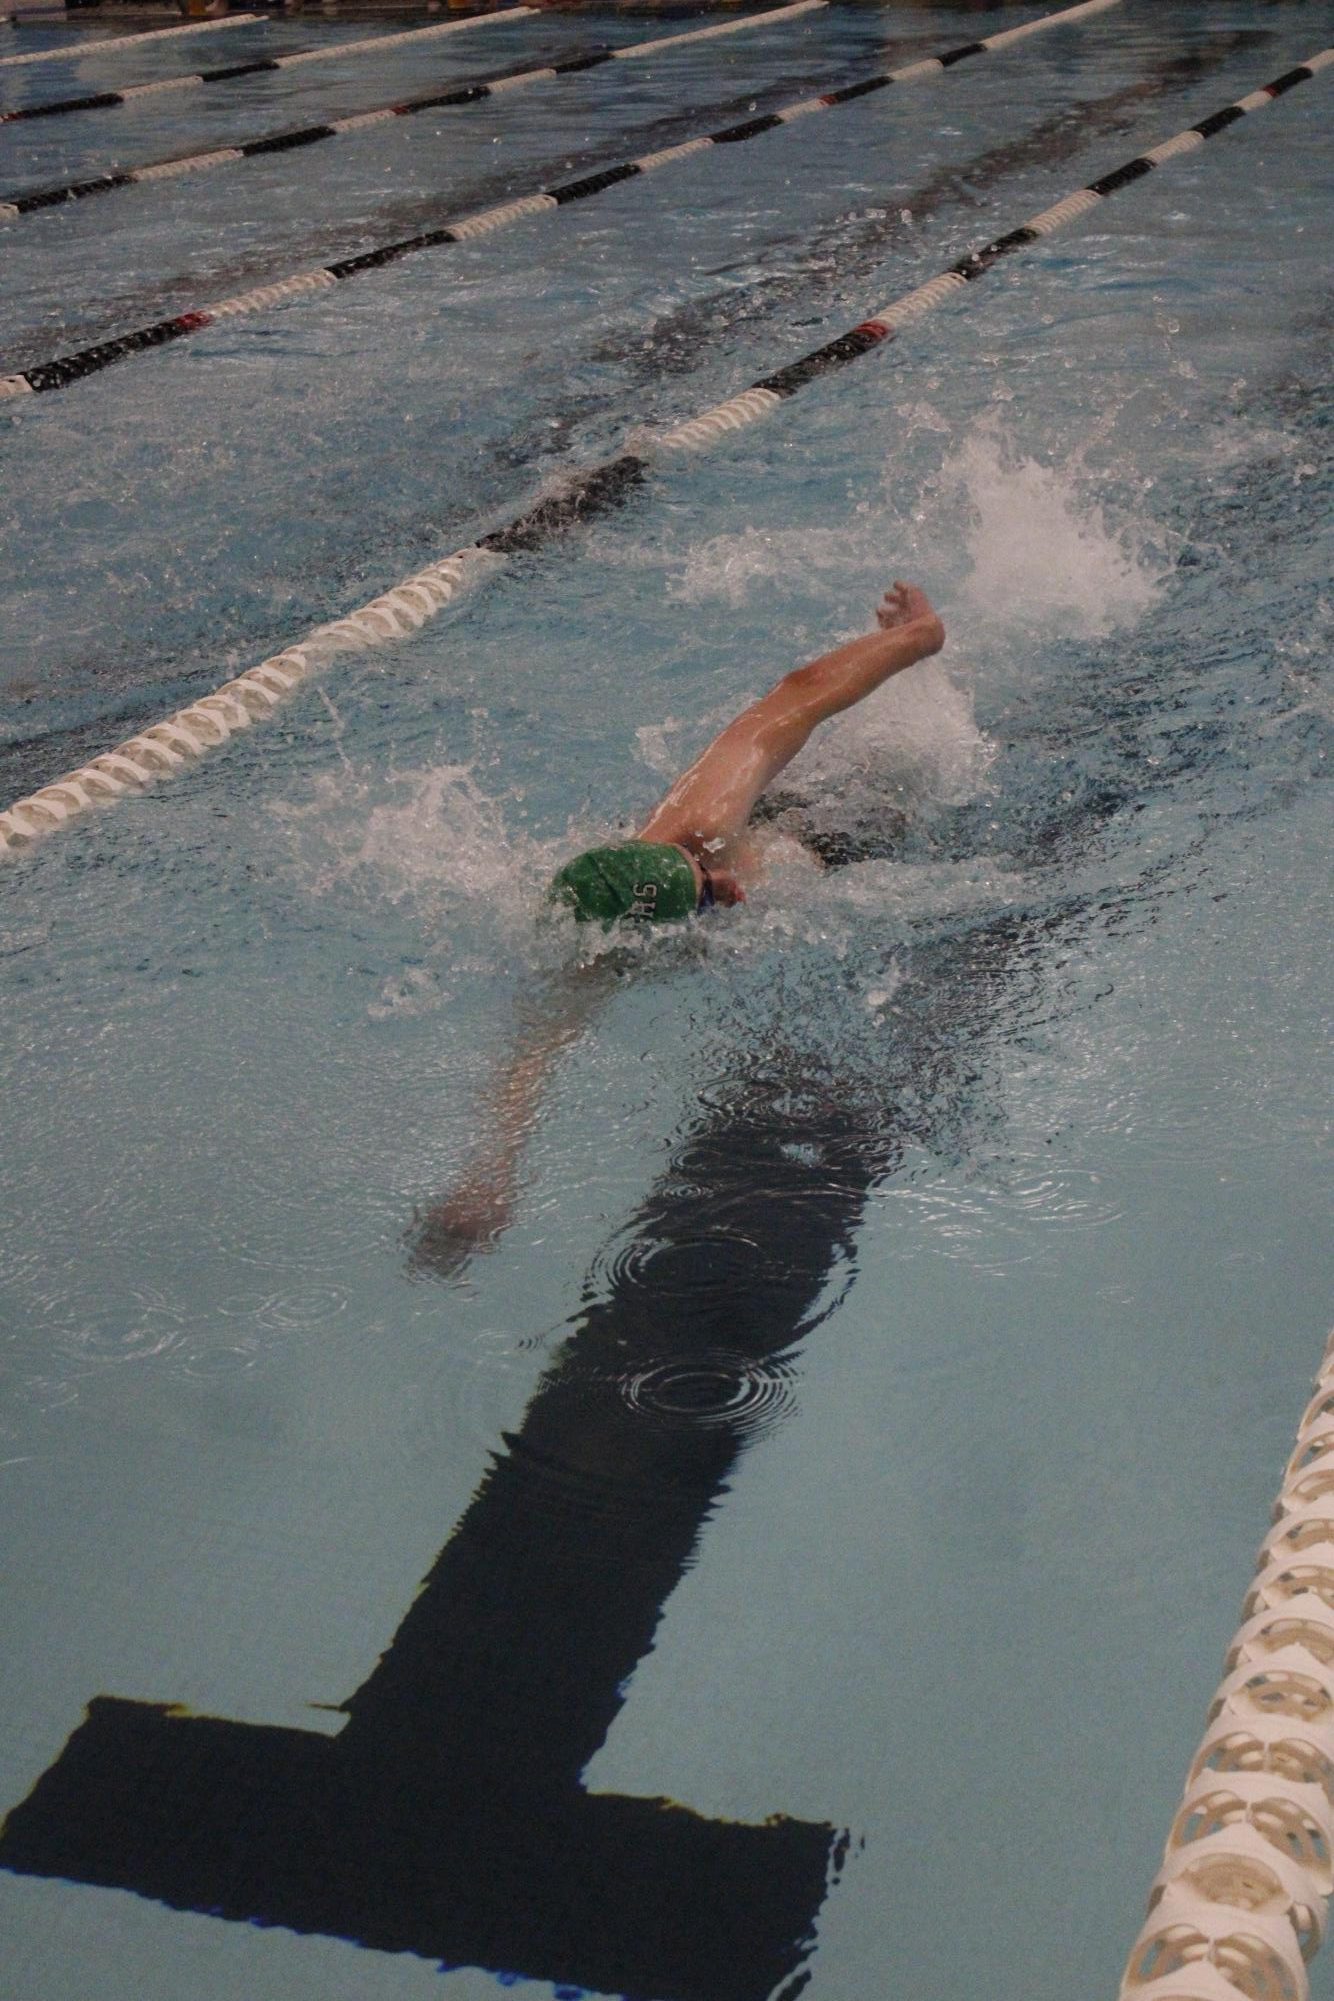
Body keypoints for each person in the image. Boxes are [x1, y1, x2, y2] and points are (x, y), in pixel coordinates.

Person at [407, 580, 944, 1278]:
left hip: (837, 835)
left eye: (701, 871)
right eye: (706, 900)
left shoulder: (700, 814)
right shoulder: (595, 958)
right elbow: (527, 1060)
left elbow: (796, 696)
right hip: (803, 863)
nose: (724, 887)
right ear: (650, 929)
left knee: (902, 783)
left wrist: (913, 639)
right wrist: (491, 1174)